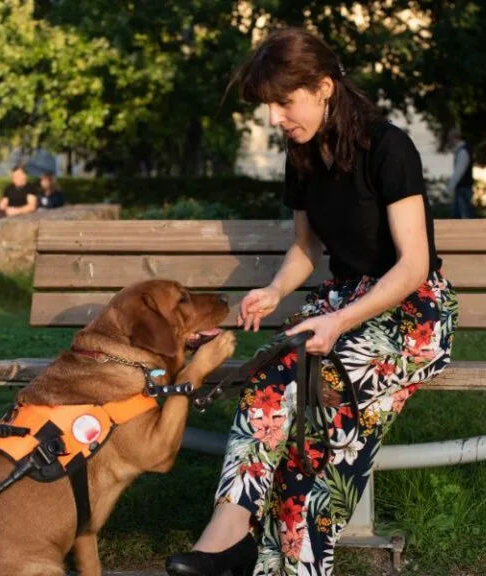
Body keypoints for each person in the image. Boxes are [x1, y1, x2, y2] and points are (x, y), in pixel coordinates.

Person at [165, 28, 459, 576]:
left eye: (284, 101)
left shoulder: (388, 146)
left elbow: (415, 265)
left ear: (324, 87)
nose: (275, 118)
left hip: (411, 314)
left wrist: (341, 319)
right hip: (345, 305)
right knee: (275, 379)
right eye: (269, 106)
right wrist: (275, 290)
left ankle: (268, 561)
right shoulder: (301, 154)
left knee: (319, 408)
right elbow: (305, 245)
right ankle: (229, 536)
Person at [446, 128, 476, 219]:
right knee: (459, 216)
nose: (449, 141)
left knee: (464, 216)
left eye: (449, 139)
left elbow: (459, 172)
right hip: (463, 188)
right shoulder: (462, 150)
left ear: (453, 138)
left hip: (463, 188)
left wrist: (449, 187)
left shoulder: (462, 151)